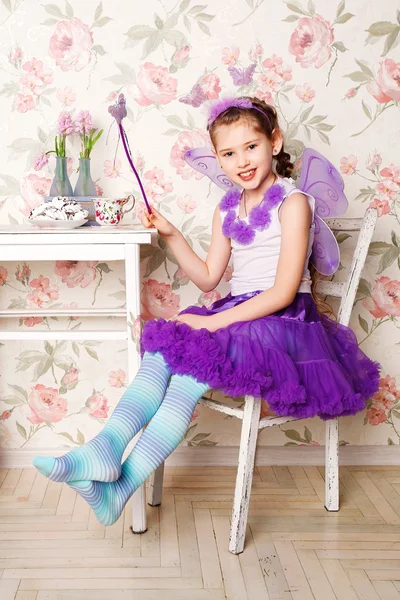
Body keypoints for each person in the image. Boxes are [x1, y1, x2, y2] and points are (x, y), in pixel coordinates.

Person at [33, 96, 380, 526]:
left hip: (284, 322)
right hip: (241, 311)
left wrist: (212, 320)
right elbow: (209, 278)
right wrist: (173, 235)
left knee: (190, 365)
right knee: (165, 352)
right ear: (218, 158)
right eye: (229, 153)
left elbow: (283, 291)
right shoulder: (228, 208)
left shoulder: (294, 203)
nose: (242, 161)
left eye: (251, 146)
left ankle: (121, 484)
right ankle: (106, 452)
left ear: (274, 141)